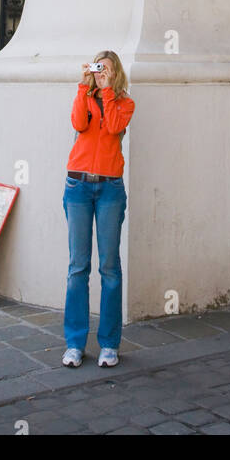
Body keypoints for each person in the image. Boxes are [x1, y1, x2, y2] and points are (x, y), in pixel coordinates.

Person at [61, 50, 135, 368]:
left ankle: (109, 343)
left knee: (109, 267)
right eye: (96, 68)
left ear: (115, 72)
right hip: (78, 186)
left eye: (106, 69)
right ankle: (75, 343)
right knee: (78, 268)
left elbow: (114, 127)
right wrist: (84, 85)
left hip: (109, 189)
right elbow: (78, 122)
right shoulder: (85, 95)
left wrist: (106, 89)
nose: (100, 72)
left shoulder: (124, 103)